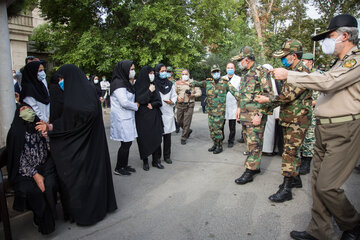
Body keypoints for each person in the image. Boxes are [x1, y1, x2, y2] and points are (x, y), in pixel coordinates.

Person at [270, 14, 360, 240]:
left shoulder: (355, 60)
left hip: (344, 129)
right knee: (317, 184)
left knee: (328, 186)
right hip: (325, 129)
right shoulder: (339, 62)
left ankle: (354, 225)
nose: (326, 43)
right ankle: (319, 231)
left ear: (345, 36)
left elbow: (329, 82)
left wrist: (289, 75)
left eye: (330, 36)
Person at [36, 64, 117, 226]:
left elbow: (73, 124)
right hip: (92, 147)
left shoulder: (78, 101)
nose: (61, 82)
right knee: (93, 178)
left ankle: (85, 214)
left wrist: (52, 129)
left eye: (62, 79)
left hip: (81, 148)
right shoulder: (86, 94)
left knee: (81, 181)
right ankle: (96, 208)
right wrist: (53, 127)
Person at [256, 40, 312, 203]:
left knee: (289, 153)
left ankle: (286, 188)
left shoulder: (301, 72)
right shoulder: (292, 70)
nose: (282, 61)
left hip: (297, 120)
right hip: (290, 118)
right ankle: (295, 179)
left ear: (293, 56)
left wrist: (267, 100)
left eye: (284, 57)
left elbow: (287, 96)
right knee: (292, 152)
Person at [6, 62, 58, 234]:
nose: (29, 111)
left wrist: (46, 132)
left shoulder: (37, 126)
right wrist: (36, 175)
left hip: (43, 164)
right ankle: (43, 220)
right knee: (37, 189)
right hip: (26, 171)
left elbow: (47, 147)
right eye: (25, 108)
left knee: (50, 183)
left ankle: (50, 215)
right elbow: (18, 159)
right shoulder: (17, 132)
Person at [232, 46, 273, 185]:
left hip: (255, 116)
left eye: (240, 60)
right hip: (245, 115)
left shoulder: (262, 72)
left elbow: (268, 95)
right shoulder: (245, 73)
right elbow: (243, 94)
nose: (239, 63)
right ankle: (255, 166)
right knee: (249, 143)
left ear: (247, 59)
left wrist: (260, 114)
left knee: (255, 143)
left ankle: (249, 171)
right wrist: (238, 108)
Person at [190, 64, 239, 154]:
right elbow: (197, 83)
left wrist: (242, 101)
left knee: (217, 129)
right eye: (214, 72)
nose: (216, 73)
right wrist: (188, 83)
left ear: (220, 72)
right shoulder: (207, 82)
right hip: (210, 111)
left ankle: (219, 146)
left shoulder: (225, 83)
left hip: (219, 112)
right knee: (211, 128)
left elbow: (235, 93)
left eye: (217, 71)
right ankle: (215, 144)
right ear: (211, 74)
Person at [110, 60, 139, 176]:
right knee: (125, 144)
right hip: (121, 118)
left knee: (128, 143)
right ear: (124, 70)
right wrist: (136, 106)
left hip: (127, 117)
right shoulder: (118, 84)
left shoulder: (125, 82)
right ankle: (118, 168)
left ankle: (124, 165)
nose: (133, 71)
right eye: (131, 69)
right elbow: (124, 102)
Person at [134, 66, 164, 171]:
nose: (152, 75)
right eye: (150, 73)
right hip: (142, 117)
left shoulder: (154, 85)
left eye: (153, 73)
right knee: (143, 139)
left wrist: (153, 104)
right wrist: (149, 91)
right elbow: (140, 100)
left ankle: (156, 161)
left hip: (154, 116)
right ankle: (145, 161)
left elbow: (159, 101)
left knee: (156, 137)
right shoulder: (138, 86)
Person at [299, 53, 320, 175]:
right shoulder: (302, 75)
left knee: (309, 138)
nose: (303, 63)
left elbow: (325, 94)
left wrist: (314, 102)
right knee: (301, 136)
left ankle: (306, 163)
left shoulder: (318, 76)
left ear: (311, 62)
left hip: (312, 112)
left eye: (305, 61)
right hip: (301, 112)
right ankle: (302, 160)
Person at [155, 64, 177, 163]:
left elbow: (174, 96)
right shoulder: (154, 84)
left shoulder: (170, 84)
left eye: (165, 71)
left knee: (167, 137)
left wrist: (172, 101)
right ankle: (157, 157)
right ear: (157, 72)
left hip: (168, 112)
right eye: (162, 71)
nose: (164, 73)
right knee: (157, 137)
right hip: (157, 113)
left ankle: (167, 156)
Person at [175, 69, 201, 145]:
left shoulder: (193, 82)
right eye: (183, 74)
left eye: (186, 74)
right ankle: (188, 131)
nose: (184, 75)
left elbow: (199, 92)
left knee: (186, 122)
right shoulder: (177, 83)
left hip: (189, 104)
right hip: (180, 104)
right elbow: (174, 92)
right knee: (179, 121)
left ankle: (184, 137)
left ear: (189, 74)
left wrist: (193, 95)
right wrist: (177, 97)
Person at [261, 64, 280, 156]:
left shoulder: (272, 81)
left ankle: (268, 149)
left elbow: (276, 97)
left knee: (270, 131)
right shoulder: (262, 80)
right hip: (262, 109)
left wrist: (277, 114)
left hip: (270, 109)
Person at [224, 62, 241, 148]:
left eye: (231, 67)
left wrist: (239, 106)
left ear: (234, 69)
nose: (230, 69)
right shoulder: (222, 79)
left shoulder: (239, 79)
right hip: (223, 105)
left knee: (232, 126)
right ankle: (220, 139)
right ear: (226, 69)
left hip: (234, 105)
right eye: (228, 67)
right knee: (220, 124)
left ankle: (231, 140)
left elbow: (240, 93)